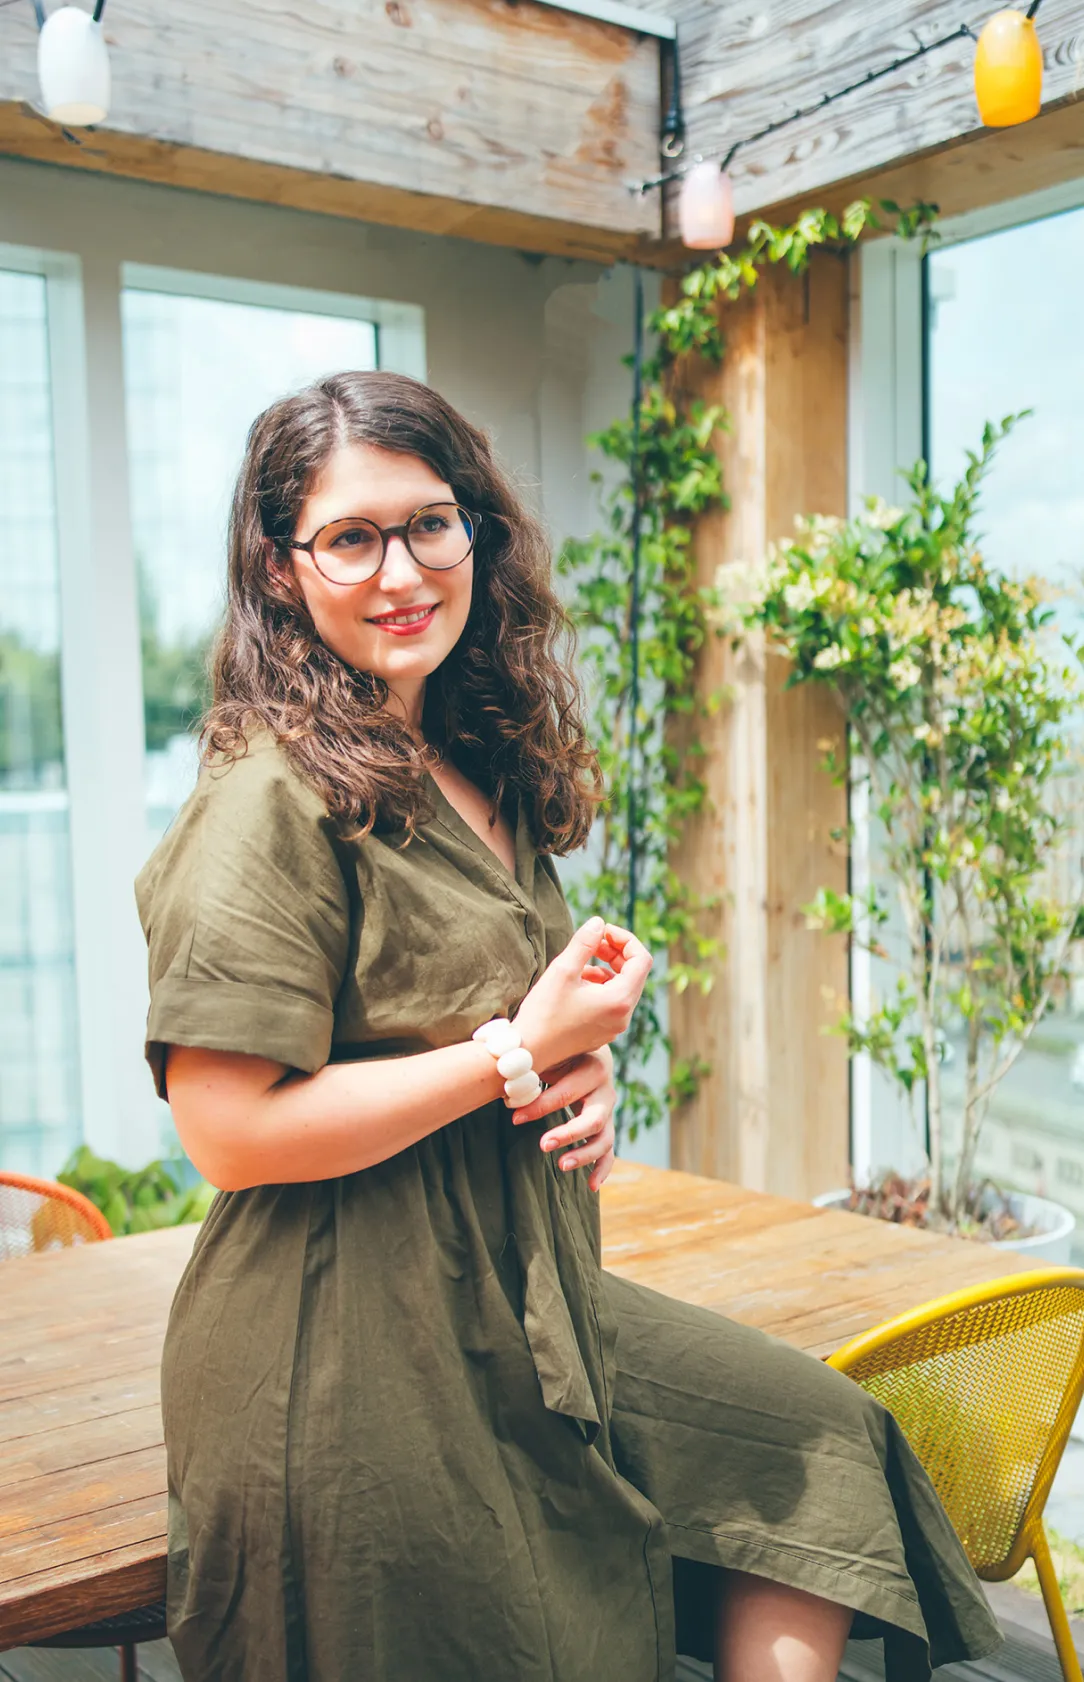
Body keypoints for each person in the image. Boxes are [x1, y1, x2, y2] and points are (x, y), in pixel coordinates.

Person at [137, 370, 1000, 1682]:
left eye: (432, 522)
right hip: (346, 1334)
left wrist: (576, 1061)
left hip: (524, 1285)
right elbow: (230, 1133)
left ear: (478, 526)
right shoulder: (266, 800)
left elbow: (497, 1009)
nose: (401, 569)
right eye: (350, 537)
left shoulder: (475, 754)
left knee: (812, 1442)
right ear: (281, 566)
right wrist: (514, 1055)